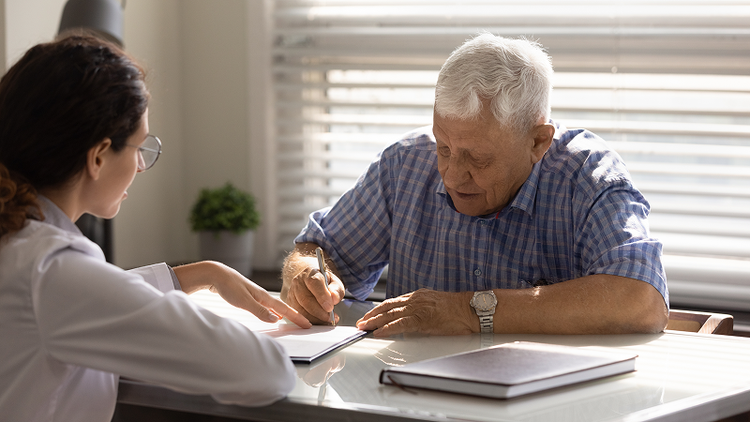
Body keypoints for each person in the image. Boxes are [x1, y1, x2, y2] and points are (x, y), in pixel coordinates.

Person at [0, 34, 311, 422]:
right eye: (139, 148)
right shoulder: (50, 268)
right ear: (97, 157)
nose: (141, 167)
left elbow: (80, 302)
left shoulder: (21, 245)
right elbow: (265, 373)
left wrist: (198, 274)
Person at [281, 33, 669, 337]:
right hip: (408, 399)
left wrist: (468, 310)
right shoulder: (405, 162)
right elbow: (318, 250)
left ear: (538, 142)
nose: (451, 175)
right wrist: (306, 278)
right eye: (444, 147)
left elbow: (640, 299)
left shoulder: (587, 176)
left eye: (477, 158)